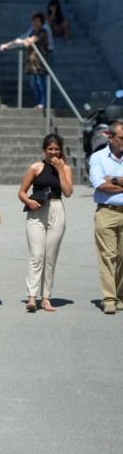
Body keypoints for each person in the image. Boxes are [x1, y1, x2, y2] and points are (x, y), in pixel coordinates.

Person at [18, 133, 73, 313]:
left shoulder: (65, 168)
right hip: (37, 211)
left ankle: (46, 297)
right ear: (44, 150)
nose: (53, 152)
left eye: (56, 149)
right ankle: (32, 297)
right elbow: (22, 192)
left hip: (56, 209)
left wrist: (60, 170)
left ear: (60, 150)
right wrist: (28, 201)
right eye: (50, 149)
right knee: (37, 255)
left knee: (50, 257)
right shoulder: (36, 167)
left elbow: (68, 192)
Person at [89, 120, 123, 314]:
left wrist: (115, 179)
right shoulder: (98, 157)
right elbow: (100, 185)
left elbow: (108, 182)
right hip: (106, 211)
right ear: (110, 137)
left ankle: (121, 295)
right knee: (108, 256)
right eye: (121, 138)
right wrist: (108, 182)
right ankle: (109, 298)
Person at [0, 12, 51, 109]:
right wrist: (6, 45)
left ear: (41, 23)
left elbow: (28, 43)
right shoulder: (32, 32)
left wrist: (24, 41)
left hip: (41, 61)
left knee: (40, 82)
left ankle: (43, 103)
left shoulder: (43, 32)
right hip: (33, 61)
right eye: (33, 21)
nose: (34, 23)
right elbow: (21, 40)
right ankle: (39, 103)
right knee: (34, 83)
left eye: (37, 21)